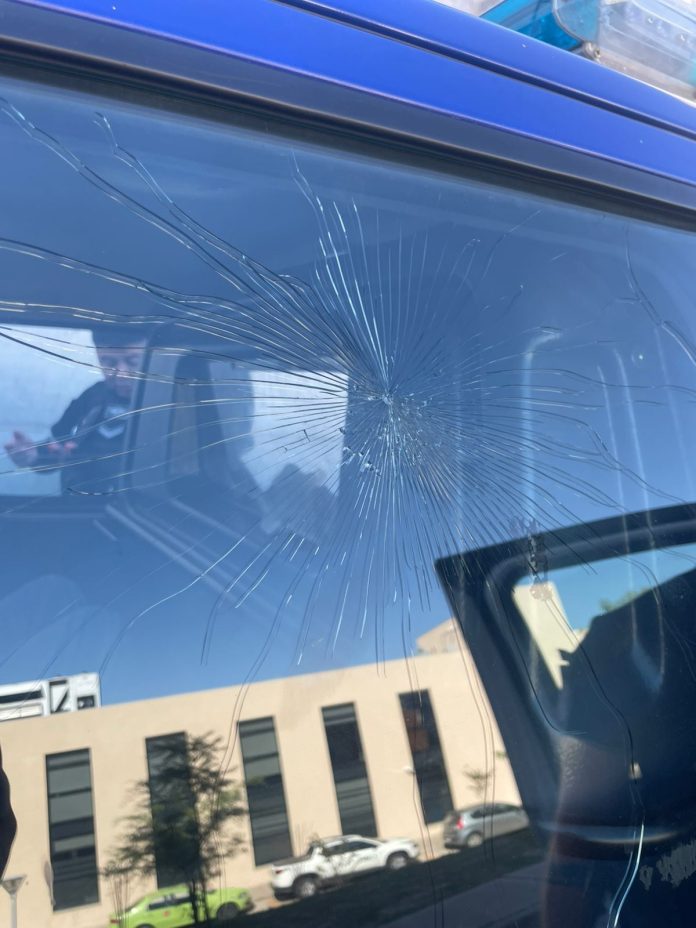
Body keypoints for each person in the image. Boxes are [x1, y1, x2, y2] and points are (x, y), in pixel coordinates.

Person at [4, 328, 147, 494]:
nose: (122, 374)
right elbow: (57, 447)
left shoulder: (170, 399)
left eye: (133, 362)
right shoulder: (94, 395)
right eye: (109, 362)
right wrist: (34, 457)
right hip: (82, 503)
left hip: (139, 507)